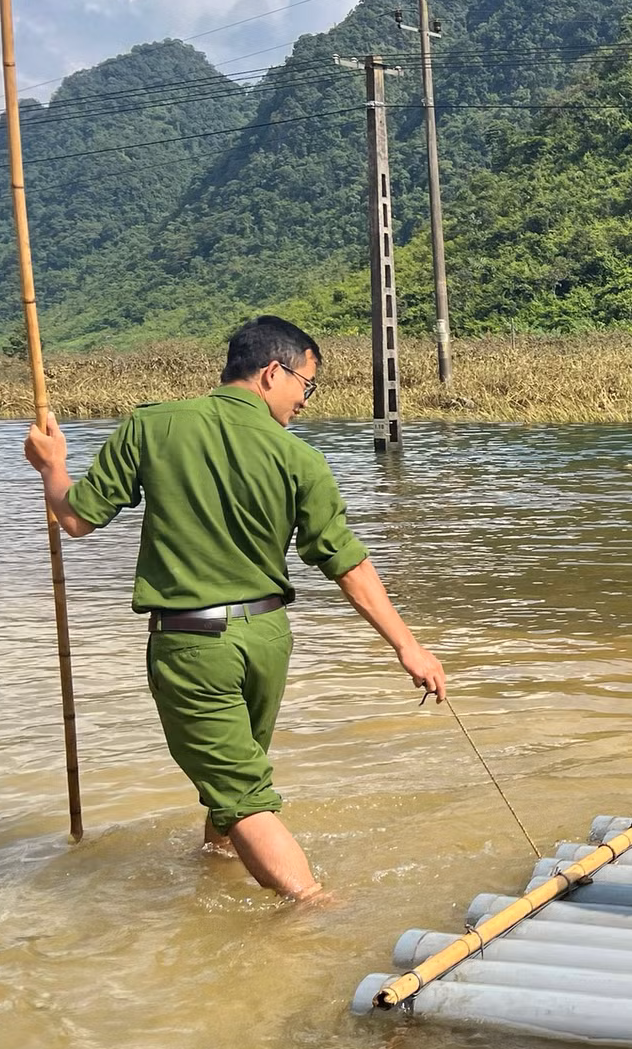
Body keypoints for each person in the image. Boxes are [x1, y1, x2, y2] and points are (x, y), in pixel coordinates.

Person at [22, 315, 446, 902]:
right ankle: (215, 873)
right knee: (236, 779)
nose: (305, 400)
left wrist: (52, 467)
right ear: (273, 372)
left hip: (193, 645)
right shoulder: (300, 459)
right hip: (267, 639)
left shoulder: (152, 425)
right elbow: (346, 562)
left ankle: (318, 911)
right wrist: (408, 645)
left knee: (239, 793)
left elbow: (76, 517)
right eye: (307, 385)